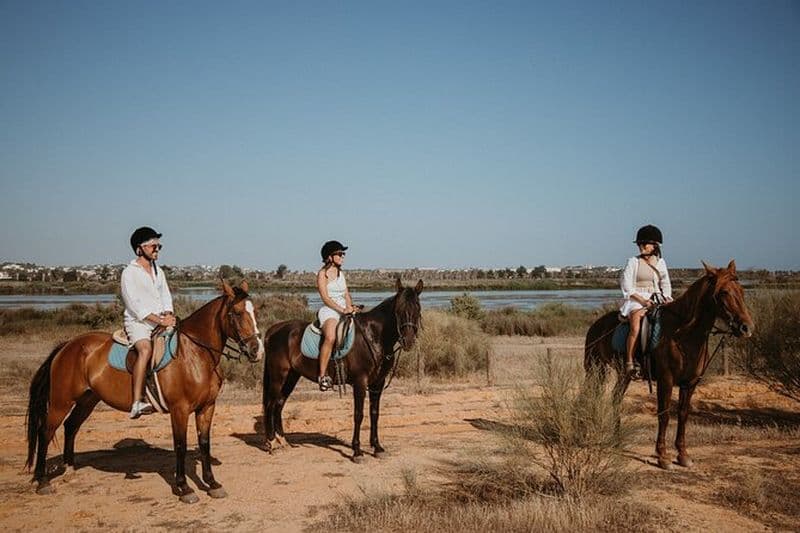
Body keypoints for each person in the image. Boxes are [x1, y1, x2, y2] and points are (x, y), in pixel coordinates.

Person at [120, 226, 176, 418]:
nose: (157, 249)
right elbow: (134, 305)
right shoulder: (129, 272)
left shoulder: (159, 271)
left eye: (159, 246)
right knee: (145, 349)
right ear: (140, 248)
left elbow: (166, 296)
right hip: (139, 323)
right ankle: (137, 401)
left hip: (161, 321)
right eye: (153, 246)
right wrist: (159, 319)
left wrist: (169, 314)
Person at [619, 224, 672, 378]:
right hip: (636, 299)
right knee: (636, 323)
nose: (641, 246)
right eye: (640, 244)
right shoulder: (633, 262)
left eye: (644, 244)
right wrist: (642, 301)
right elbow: (626, 285)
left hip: (656, 297)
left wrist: (667, 297)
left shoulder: (661, 263)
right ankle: (629, 361)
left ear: (655, 246)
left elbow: (665, 282)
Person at [316, 240, 354, 391]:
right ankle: (322, 376)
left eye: (343, 254)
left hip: (344, 309)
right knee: (331, 336)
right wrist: (341, 309)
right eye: (339, 254)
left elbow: (346, 294)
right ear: (330, 257)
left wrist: (350, 307)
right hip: (329, 310)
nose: (343, 256)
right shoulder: (322, 274)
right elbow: (325, 298)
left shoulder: (341, 274)